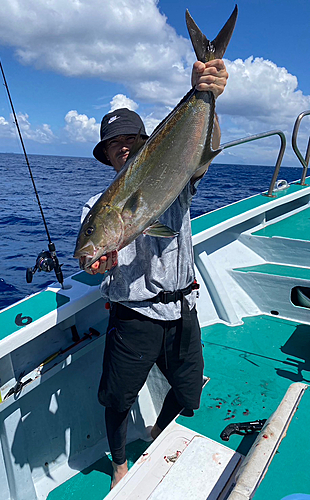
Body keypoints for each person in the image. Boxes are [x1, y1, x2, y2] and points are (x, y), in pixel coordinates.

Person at [80, 59, 228, 488]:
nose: (123, 146)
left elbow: (204, 151)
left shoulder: (175, 182)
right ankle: (121, 464)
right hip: (133, 319)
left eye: (131, 139)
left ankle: (160, 429)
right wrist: (96, 263)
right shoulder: (95, 208)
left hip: (183, 308)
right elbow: (89, 260)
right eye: (114, 143)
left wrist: (209, 96)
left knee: (188, 393)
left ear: (145, 144)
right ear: (105, 154)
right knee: (117, 400)